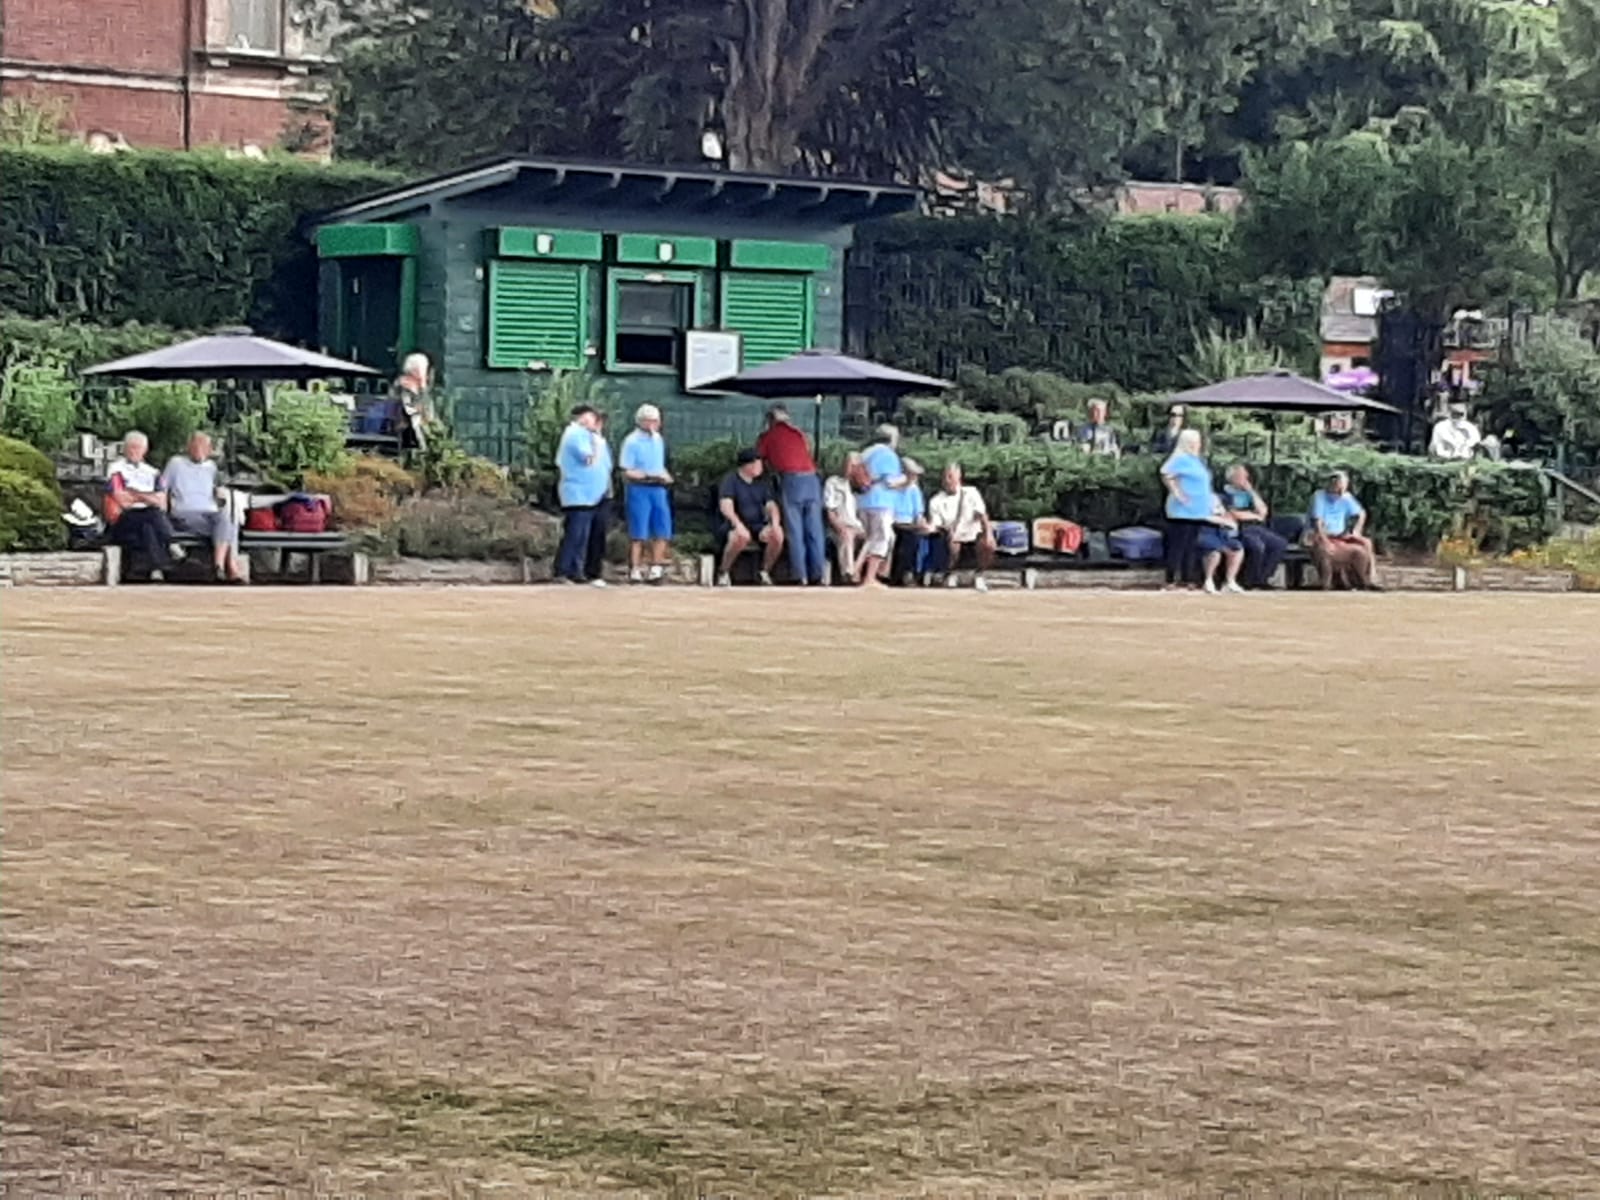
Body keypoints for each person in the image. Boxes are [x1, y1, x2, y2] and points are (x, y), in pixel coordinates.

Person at [755, 404, 826, 586]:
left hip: (791, 479)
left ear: (770, 419)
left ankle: (800, 574)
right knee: (814, 528)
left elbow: (759, 459)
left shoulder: (768, 436)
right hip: (811, 478)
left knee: (795, 529)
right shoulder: (799, 433)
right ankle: (818, 574)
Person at [160, 431, 245, 583]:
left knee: (227, 517)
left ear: (209, 449)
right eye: (196, 445)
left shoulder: (211, 467)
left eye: (204, 446)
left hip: (208, 515)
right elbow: (162, 489)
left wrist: (221, 496)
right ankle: (230, 566)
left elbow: (217, 492)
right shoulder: (176, 463)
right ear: (189, 446)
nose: (199, 449)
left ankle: (219, 566)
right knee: (230, 526)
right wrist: (163, 513)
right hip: (184, 514)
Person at [105, 430, 175, 580]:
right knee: (152, 514)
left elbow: (162, 501)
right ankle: (171, 542)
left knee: (148, 527)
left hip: (147, 518)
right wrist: (148, 497)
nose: (134, 451)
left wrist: (135, 494)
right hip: (123, 519)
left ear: (145, 450)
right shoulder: (116, 469)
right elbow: (121, 499)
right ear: (124, 449)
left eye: (138, 447)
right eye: (131, 447)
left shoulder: (153, 472)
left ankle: (156, 569)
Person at [554, 404, 611, 586]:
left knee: (585, 535)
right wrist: (596, 441)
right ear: (584, 418)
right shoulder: (575, 434)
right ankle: (563, 571)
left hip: (593, 495)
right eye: (594, 418)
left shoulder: (592, 437)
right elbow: (588, 459)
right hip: (578, 494)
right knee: (575, 534)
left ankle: (578, 571)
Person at [617, 404, 673, 584]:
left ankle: (656, 568)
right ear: (641, 421)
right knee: (638, 531)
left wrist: (664, 475)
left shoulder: (658, 440)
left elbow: (659, 464)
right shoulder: (631, 441)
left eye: (656, 420)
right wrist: (648, 475)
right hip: (639, 489)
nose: (654, 424)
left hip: (659, 489)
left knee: (662, 529)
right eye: (650, 420)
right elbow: (626, 470)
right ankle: (635, 569)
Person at [716, 449, 784, 586]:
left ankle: (764, 572)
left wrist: (774, 524)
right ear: (746, 465)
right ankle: (723, 572)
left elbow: (771, 506)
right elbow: (726, 506)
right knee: (741, 536)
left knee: (778, 535)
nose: (760, 467)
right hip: (733, 524)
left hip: (757, 525)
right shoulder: (731, 480)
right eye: (756, 464)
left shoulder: (762, 482)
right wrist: (738, 525)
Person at [926, 462, 996, 591]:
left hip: (973, 533)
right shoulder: (936, 501)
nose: (948, 480)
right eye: (946, 477)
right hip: (952, 535)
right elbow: (936, 523)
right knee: (953, 542)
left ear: (959, 477)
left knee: (988, 544)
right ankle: (952, 573)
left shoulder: (971, 492)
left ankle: (979, 574)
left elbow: (982, 514)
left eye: (951, 476)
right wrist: (938, 529)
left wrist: (989, 534)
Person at [1159, 428, 1216, 589]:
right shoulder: (1180, 458)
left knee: (1191, 545)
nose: (1197, 445)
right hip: (1182, 511)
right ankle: (1170, 578)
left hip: (1197, 511)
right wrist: (1176, 492)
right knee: (1178, 544)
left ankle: (1188, 577)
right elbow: (1165, 473)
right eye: (1194, 442)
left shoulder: (1197, 460)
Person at [1309, 470, 1380, 590]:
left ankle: (1369, 578)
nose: (1340, 490)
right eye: (1338, 486)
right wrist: (1325, 540)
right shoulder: (1319, 496)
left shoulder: (1346, 497)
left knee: (1366, 544)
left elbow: (1361, 513)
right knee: (1325, 549)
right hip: (1322, 534)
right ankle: (1328, 583)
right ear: (1332, 484)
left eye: (1343, 486)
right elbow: (1318, 522)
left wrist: (1357, 530)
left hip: (1341, 535)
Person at [1222, 463, 1288, 589]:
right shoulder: (1225, 492)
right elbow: (1232, 513)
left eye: (1246, 476)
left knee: (1280, 543)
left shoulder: (1249, 493)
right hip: (1238, 528)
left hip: (1256, 527)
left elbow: (1263, 511)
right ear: (1233, 477)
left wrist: (1250, 491)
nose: (1246, 478)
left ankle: (1262, 579)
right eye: (1242, 476)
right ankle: (1248, 581)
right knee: (1257, 546)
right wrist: (1254, 515)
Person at [856, 424, 906, 588]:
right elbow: (890, 481)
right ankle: (869, 577)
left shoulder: (865, 453)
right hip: (881, 501)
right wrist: (905, 479)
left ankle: (859, 571)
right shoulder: (888, 455)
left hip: (862, 500)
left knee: (871, 539)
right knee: (882, 538)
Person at [584, 410, 618, 583]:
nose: (599, 426)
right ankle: (580, 571)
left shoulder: (603, 443)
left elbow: (607, 468)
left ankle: (594, 572)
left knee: (599, 534)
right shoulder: (584, 442)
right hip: (587, 495)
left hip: (604, 494)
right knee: (583, 534)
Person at [823, 451, 866, 583]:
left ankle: (874, 573)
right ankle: (848, 574)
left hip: (859, 526)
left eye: (854, 466)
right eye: (848, 464)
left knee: (881, 536)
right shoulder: (833, 482)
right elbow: (830, 511)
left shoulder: (863, 487)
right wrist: (838, 526)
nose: (850, 468)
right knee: (847, 535)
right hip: (840, 525)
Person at [889, 457, 932, 585]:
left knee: (915, 535)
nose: (914, 477)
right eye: (911, 474)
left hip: (910, 524)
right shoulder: (891, 489)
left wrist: (921, 523)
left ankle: (910, 572)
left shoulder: (914, 490)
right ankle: (901, 574)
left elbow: (918, 513)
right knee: (906, 537)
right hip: (894, 523)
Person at [1197, 499, 1246, 594]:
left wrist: (1227, 519)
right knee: (1215, 552)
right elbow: (1201, 516)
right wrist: (1222, 520)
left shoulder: (1216, 497)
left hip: (1220, 532)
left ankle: (1230, 582)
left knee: (1237, 549)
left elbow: (1225, 512)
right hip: (1203, 531)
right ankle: (1208, 581)